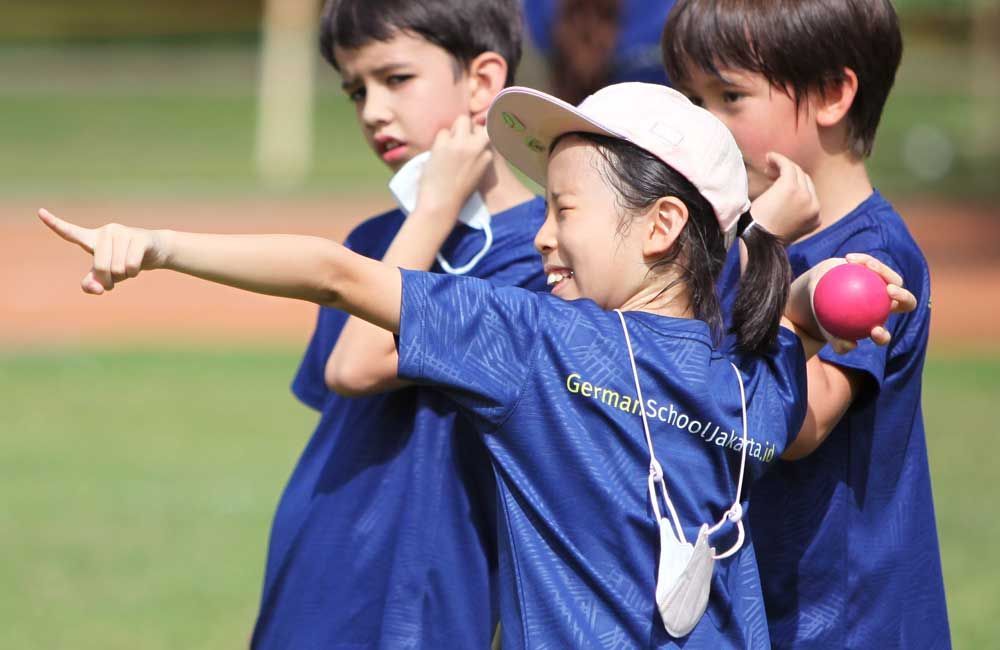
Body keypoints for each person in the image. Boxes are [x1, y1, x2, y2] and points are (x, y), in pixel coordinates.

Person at [38, 81, 915, 648]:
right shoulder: (750, 383)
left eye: (564, 209)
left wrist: (156, 244)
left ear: (660, 229)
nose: (540, 237)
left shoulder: (529, 341)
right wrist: (802, 310)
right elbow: (798, 389)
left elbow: (334, 273)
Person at [250, 0, 547, 646]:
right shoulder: (376, 242)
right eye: (356, 90)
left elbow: (355, 366)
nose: (373, 111)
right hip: (313, 582)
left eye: (396, 79)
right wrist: (425, 219)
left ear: (484, 81)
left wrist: (435, 207)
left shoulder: (544, 261)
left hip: (418, 613)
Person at [662, 1, 951, 647]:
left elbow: (799, 425)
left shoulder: (872, 257)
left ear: (831, 93)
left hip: (842, 616)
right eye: (691, 101)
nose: (704, 127)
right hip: (758, 596)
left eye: (729, 97)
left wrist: (758, 242)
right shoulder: (737, 239)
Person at [524, 0, 676, 104]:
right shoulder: (537, 31)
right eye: (577, 15)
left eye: (606, 16)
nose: (592, 35)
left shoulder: (655, 35)